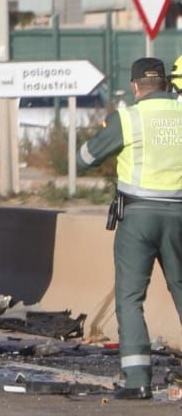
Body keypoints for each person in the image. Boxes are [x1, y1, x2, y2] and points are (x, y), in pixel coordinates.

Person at [77, 56, 182, 398]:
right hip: (179, 215)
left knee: (131, 296)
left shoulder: (128, 118)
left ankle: (138, 379)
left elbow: (86, 158)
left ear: (136, 87)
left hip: (138, 218)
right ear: (165, 83)